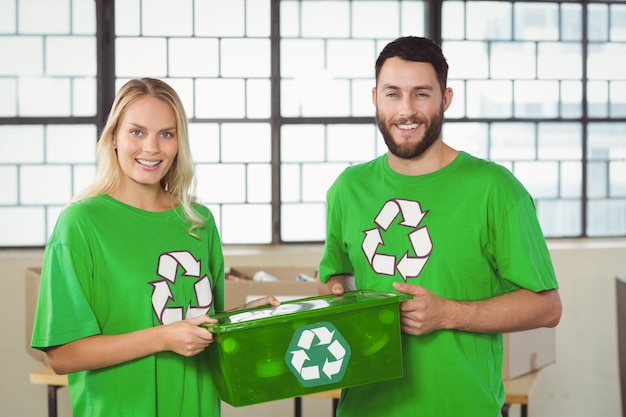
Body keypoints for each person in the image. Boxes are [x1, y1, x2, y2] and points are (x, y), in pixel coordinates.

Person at [317, 36, 562, 417]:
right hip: (365, 408)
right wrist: (340, 293)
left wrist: (449, 313)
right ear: (375, 98)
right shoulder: (347, 189)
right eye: (393, 94)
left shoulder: (494, 189)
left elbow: (547, 308)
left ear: (445, 99)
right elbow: (338, 278)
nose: (406, 110)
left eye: (421, 94)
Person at [30, 78, 278, 417]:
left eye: (166, 134)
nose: (152, 148)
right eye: (136, 132)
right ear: (114, 137)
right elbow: (61, 355)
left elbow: (200, 327)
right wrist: (163, 338)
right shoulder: (80, 223)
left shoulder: (198, 221)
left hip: (197, 406)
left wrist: (241, 321)